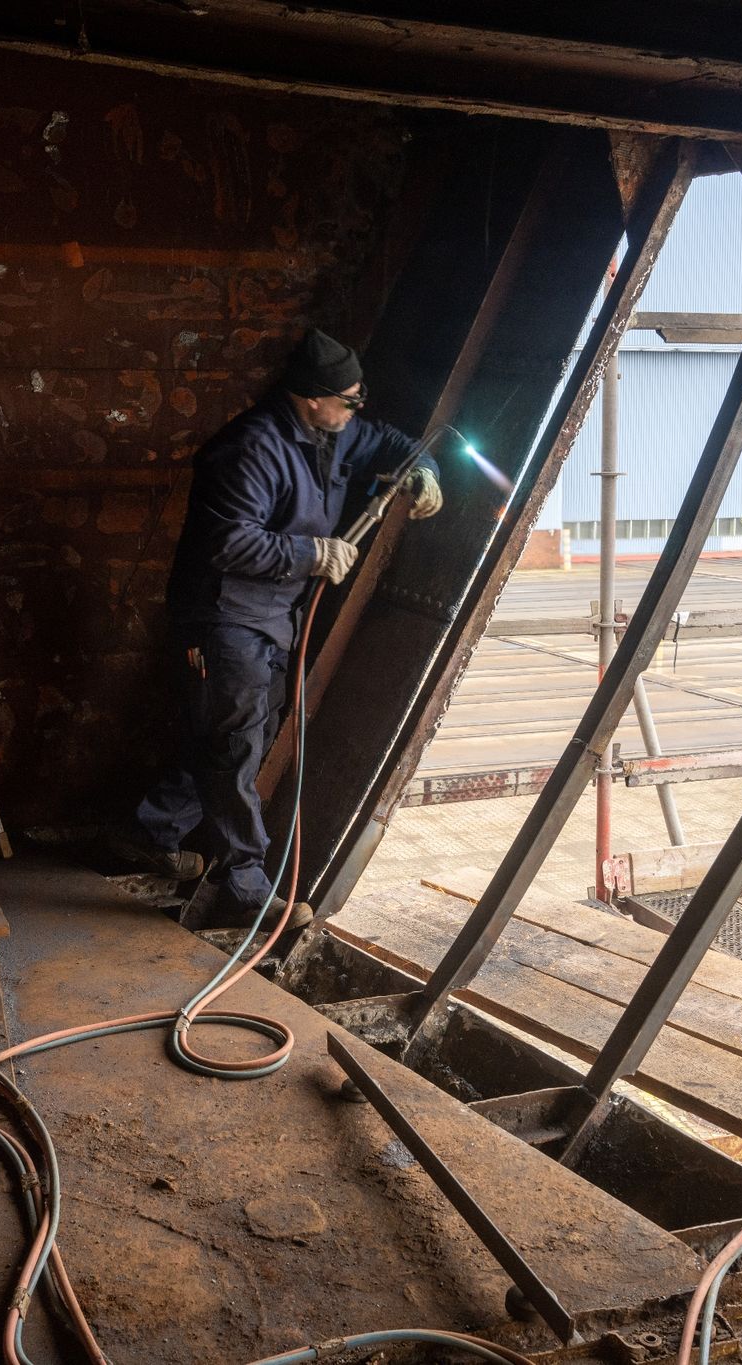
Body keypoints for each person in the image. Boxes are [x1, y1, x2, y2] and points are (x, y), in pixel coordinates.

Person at [109, 329, 443, 928]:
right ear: (311, 397)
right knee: (235, 744)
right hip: (222, 616)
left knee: (243, 735)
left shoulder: (333, 432)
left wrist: (424, 469)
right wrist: (311, 556)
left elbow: (388, 441)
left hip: (270, 619)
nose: (356, 409)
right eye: (348, 399)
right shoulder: (248, 449)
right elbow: (228, 542)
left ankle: (150, 829)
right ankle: (246, 885)